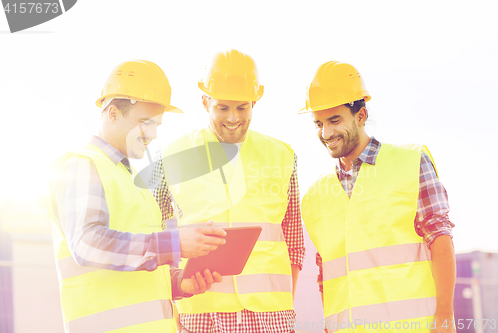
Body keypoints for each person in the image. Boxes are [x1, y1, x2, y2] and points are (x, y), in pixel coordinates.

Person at [48, 60, 227, 333]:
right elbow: (86, 244)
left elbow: (139, 265)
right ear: (112, 114)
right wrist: (175, 244)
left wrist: (179, 284)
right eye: (145, 122)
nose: (153, 135)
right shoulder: (81, 165)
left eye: (157, 124)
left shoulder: (131, 181)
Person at [153, 49, 305, 333]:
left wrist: (283, 307)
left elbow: (294, 241)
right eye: (223, 108)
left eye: (242, 107)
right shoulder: (171, 157)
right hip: (201, 316)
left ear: (254, 102)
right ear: (204, 101)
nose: (233, 118)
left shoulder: (283, 156)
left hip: (271, 318)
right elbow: (157, 237)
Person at [299, 61, 456, 333]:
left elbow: (440, 237)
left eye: (335, 120)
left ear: (361, 115)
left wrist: (445, 315)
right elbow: (326, 274)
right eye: (319, 123)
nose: (326, 134)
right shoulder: (314, 197)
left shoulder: (411, 162)